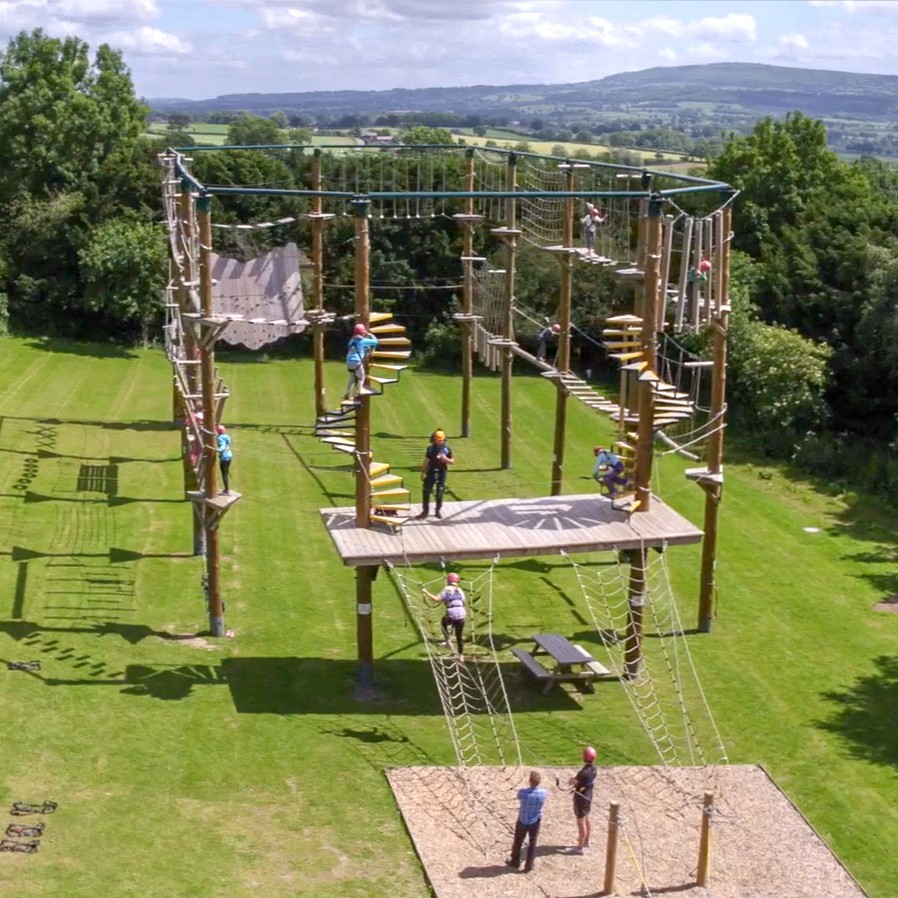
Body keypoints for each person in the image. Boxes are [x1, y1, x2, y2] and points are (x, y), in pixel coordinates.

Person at [507, 770, 547, 873]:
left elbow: (519, 796)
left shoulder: (523, 792)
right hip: (535, 820)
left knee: (518, 841)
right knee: (532, 843)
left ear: (530, 781)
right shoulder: (543, 793)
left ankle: (515, 861)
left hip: (523, 820)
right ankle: (529, 865)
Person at [422, 572, 466, 660]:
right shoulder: (460, 590)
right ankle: (461, 655)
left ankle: (448, 641)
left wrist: (426, 593)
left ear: (448, 580)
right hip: (462, 613)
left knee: (443, 624)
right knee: (459, 636)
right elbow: (463, 603)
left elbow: (437, 599)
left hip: (451, 612)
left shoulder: (447, 589)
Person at [416, 429, 454, 520]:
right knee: (426, 491)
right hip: (431, 471)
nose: (440, 442)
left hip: (442, 472)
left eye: (442, 440)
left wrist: (445, 459)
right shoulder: (430, 449)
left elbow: (452, 461)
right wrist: (423, 471)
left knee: (440, 491)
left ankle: (438, 510)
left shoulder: (447, 449)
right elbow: (426, 461)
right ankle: (425, 512)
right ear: (434, 440)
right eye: (438, 440)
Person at [568, 746, 597, 853]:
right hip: (588, 797)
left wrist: (571, 780)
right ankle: (586, 840)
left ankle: (579, 847)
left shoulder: (583, 773)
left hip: (581, 799)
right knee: (587, 819)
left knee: (581, 822)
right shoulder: (593, 769)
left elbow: (573, 782)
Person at [344, 323, 379, 401]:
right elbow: (376, 342)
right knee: (361, 378)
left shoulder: (352, 340)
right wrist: (370, 334)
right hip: (356, 362)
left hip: (348, 361)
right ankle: (357, 395)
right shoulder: (363, 341)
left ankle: (346, 394)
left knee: (352, 378)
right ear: (363, 333)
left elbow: (357, 347)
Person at [216, 424, 233, 494]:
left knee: (224, 474)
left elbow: (222, 447)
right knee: (225, 473)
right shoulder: (227, 436)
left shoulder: (220, 438)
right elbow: (228, 444)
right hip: (229, 456)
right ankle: (226, 489)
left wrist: (217, 450)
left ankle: (226, 490)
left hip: (224, 458)